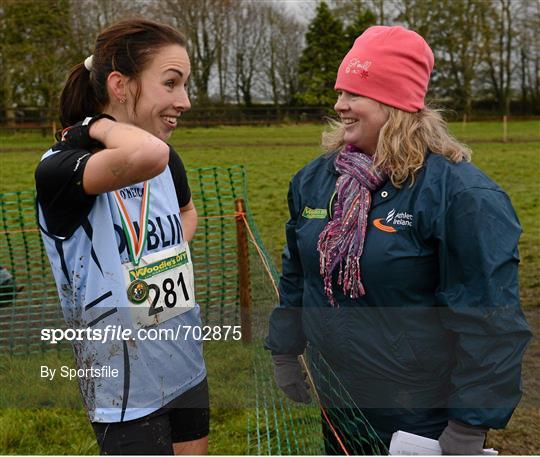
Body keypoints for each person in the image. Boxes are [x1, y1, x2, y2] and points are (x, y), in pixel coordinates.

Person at [266, 25, 532, 455]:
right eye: (340, 92)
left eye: (354, 93)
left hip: (419, 418)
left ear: (395, 103)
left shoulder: (460, 195)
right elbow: (299, 271)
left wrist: (469, 424)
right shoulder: (316, 181)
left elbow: (491, 322)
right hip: (339, 401)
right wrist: (284, 348)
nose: (339, 105)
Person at [35, 19, 208, 455]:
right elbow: (146, 154)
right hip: (124, 389)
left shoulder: (168, 161)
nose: (184, 101)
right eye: (171, 83)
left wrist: (162, 259)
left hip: (186, 363)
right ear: (120, 84)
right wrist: (92, 127)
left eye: (185, 85)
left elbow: (188, 213)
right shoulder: (61, 163)